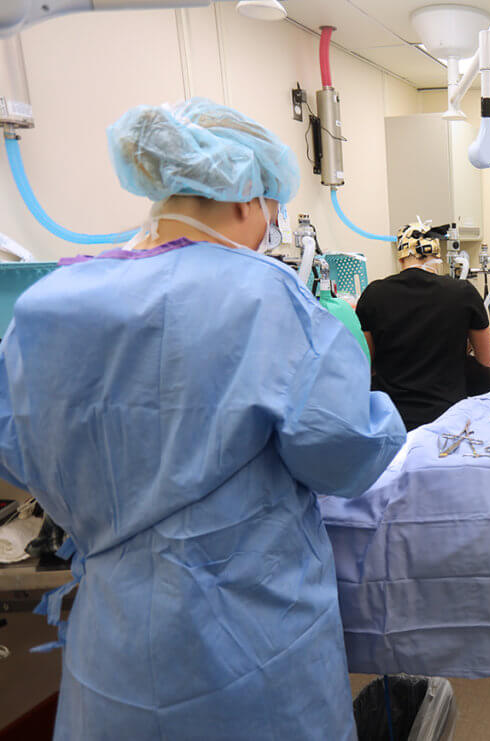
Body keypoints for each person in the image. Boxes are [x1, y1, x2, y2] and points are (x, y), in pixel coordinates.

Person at [0, 99, 407, 741]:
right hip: (248, 636)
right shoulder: (262, 295)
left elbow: (19, 450)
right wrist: (381, 413)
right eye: (271, 217)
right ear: (247, 197)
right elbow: (346, 452)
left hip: (116, 639)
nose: (267, 235)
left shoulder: (46, 304)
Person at [356, 221, 490, 430]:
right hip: (449, 420)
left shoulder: (374, 294)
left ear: (401, 256)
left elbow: (365, 367)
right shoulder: (462, 292)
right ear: (436, 255)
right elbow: (487, 360)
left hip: (394, 421)